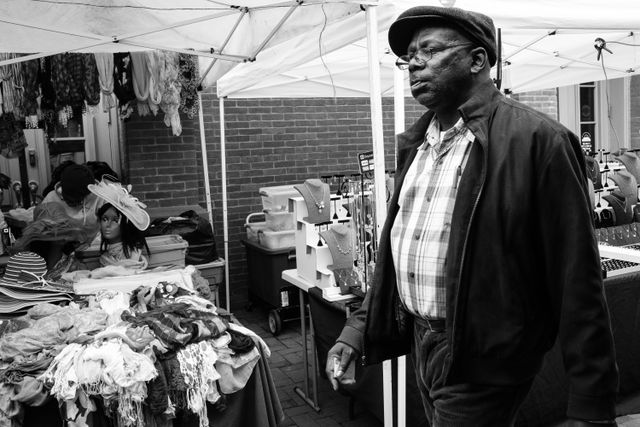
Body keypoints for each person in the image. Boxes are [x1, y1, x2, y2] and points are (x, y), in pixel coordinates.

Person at [326, 6, 618, 427]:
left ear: (477, 60)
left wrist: (592, 404)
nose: (414, 63)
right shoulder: (416, 145)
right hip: (421, 341)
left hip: (485, 357)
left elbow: (578, 277)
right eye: (409, 55)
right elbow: (399, 252)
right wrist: (356, 332)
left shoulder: (539, 141)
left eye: (428, 51)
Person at [96, 202, 149, 269]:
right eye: (105, 219)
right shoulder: (104, 259)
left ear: (125, 224)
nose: (108, 225)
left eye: (115, 220)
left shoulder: (133, 255)